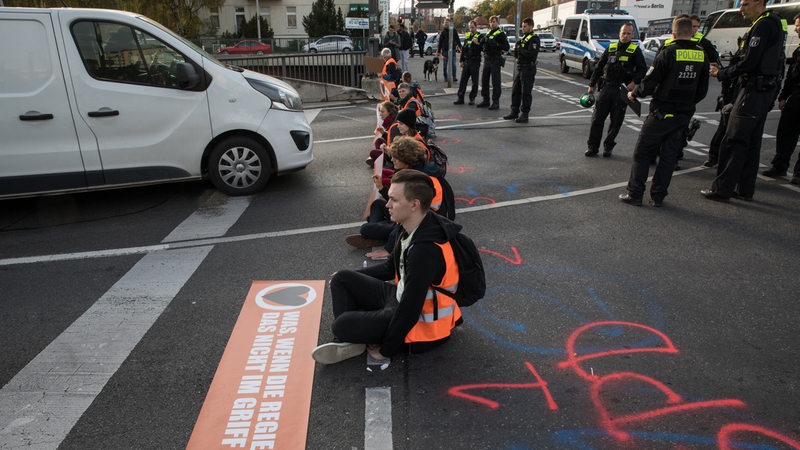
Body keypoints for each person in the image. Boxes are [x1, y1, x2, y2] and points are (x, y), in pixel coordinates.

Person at [315, 169, 463, 365]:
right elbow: (389, 269)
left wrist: (386, 351)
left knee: (341, 325)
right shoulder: (410, 226)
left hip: (423, 324)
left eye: (393, 199)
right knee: (343, 279)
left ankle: (348, 338)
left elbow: (411, 309)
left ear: (414, 204)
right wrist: (355, 277)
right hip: (398, 297)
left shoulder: (425, 251)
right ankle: (350, 341)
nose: (387, 204)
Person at [702, 0, 787, 202]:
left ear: (759, 2)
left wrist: (722, 73)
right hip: (764, 90)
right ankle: (745, 188)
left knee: (733, 140)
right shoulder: (772, 22)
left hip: (753, 91)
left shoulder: (763, 24)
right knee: (751, 142)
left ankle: (722, 189)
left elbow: (749, 61)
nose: (741, 9)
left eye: (745, 4)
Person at [619, 16, 709, 207]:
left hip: (661, 113)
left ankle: (635, 194)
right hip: (683, 115)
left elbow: (649, 82)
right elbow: (702, 90)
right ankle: (658, 196)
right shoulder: (702, 54)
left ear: (674, 33)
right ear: (691, 32)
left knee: (642, 153)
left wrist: (634, 93)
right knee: (668, 157)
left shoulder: (668, 52)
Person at [585, 22, 647, 157]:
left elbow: (642, 69)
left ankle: (608, 146)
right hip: (606, 87)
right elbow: (599, 67)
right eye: (623, 33)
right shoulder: (611, 48)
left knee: (616, 121)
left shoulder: (635, 50)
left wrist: (633, 83)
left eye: (628, 33)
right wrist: (592, 84)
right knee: (597, 120)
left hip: (622, 89)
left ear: (632, 35)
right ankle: (592, 147)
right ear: (619, 33)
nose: (625, 36)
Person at [761, 13, 800, 184]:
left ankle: (798, 173)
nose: (796, 28)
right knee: (786, 132)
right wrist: (784, 96)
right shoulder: (799, 49)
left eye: (798, 25)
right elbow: (791, 76)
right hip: (796, 97)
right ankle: (780, 165)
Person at [503, 18, 540, 124]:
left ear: (531, 26)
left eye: (525, 26)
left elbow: (531, 54)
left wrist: (520, 49)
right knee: (516, 91)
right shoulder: (523, 39)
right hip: (520, 67)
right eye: (522, 26)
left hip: (528, 68)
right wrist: (519, 49)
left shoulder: (534, 39)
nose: (523, 28)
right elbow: (516, 53)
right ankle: (514, 111)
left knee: (526, 93)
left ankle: (525, 114)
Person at [476, 16, 509, 110]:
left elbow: (506, 47)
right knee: (484, 80)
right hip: (487, 58)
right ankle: (486, 100)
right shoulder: (488, 32)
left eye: (494, 22)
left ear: (497, 23)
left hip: (495, 58)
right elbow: (483, 44)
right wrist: (482, 42)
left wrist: (496, 44)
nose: (492, 23)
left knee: (496, 82)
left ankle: (495, 102)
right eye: (491, 22)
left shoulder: (501, 34)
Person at [454, 20, 482, 106]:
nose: (471, 29)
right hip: (467, 61)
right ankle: (460, 98)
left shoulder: (480, 36)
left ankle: (472, 98)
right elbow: (464, 49)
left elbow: (483, 48)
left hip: (475, 61)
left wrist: (477, 43)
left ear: (476, 27)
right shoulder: (468, 36)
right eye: (470, 27)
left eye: (472, 27)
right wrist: (461, 61)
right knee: (463, 81)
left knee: (474, 82)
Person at [367, 101, 399, 167]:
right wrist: (384, 133)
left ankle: (384, 162)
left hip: (395, 153)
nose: (380, 114)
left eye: (382, 112)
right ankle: (379, 159)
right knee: (379, 141)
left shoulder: (394, 125)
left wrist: (386, 148)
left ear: (389, 112)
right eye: (380, 112)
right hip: (392, 147)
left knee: (373, 153)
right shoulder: (389, 121)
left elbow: (395, 143)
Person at [437, 18, 461, 82]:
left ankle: (454, 77)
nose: (446, 24)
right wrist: (439, 51)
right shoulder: (443, 32)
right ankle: (445, 77)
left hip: (452, 50)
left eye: (447, 22)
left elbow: (457, 39)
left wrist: (460, 47)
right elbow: (440, 42)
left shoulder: (453, 30)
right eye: (445, 23)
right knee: (445, 65)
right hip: (445, 50)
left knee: (453, 64)